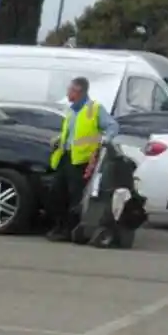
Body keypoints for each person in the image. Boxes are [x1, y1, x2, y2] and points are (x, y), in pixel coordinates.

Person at [47, 76, 116, 241]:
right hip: (66, 156)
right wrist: (59, 139)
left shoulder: (94, 108)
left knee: (75, 196)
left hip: (81, 160)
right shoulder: (71, 110)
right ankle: (59, 227)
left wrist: (105, 140)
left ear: (78, 91)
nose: (67, 93)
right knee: (57, 193)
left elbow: (113, 126)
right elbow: (72, 133)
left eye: (70, 90)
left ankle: (71, 231)